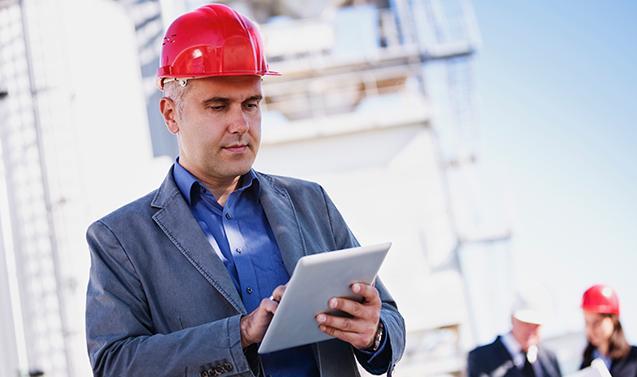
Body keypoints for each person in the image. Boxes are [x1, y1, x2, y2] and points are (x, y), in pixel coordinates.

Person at [84, 4, 405, 377]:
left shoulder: (311, 203)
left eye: (251, 104)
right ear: (171, 114)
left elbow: (390, 317)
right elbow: (114, 365)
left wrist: (374, 332)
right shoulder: (120, 240)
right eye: (218, 106)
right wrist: (239, 334)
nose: (240, 124)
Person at [467, 293, 562, 377]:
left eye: (536, 325)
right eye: (526, 323)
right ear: (513, 319)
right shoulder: (481, 358)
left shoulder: (550, 357)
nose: (531, 329)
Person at [579, 284, 637, 377]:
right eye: (587, 323)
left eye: (596, 322)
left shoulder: (636, 357)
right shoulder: (585, 364)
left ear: (613, 320)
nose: (591, 329)